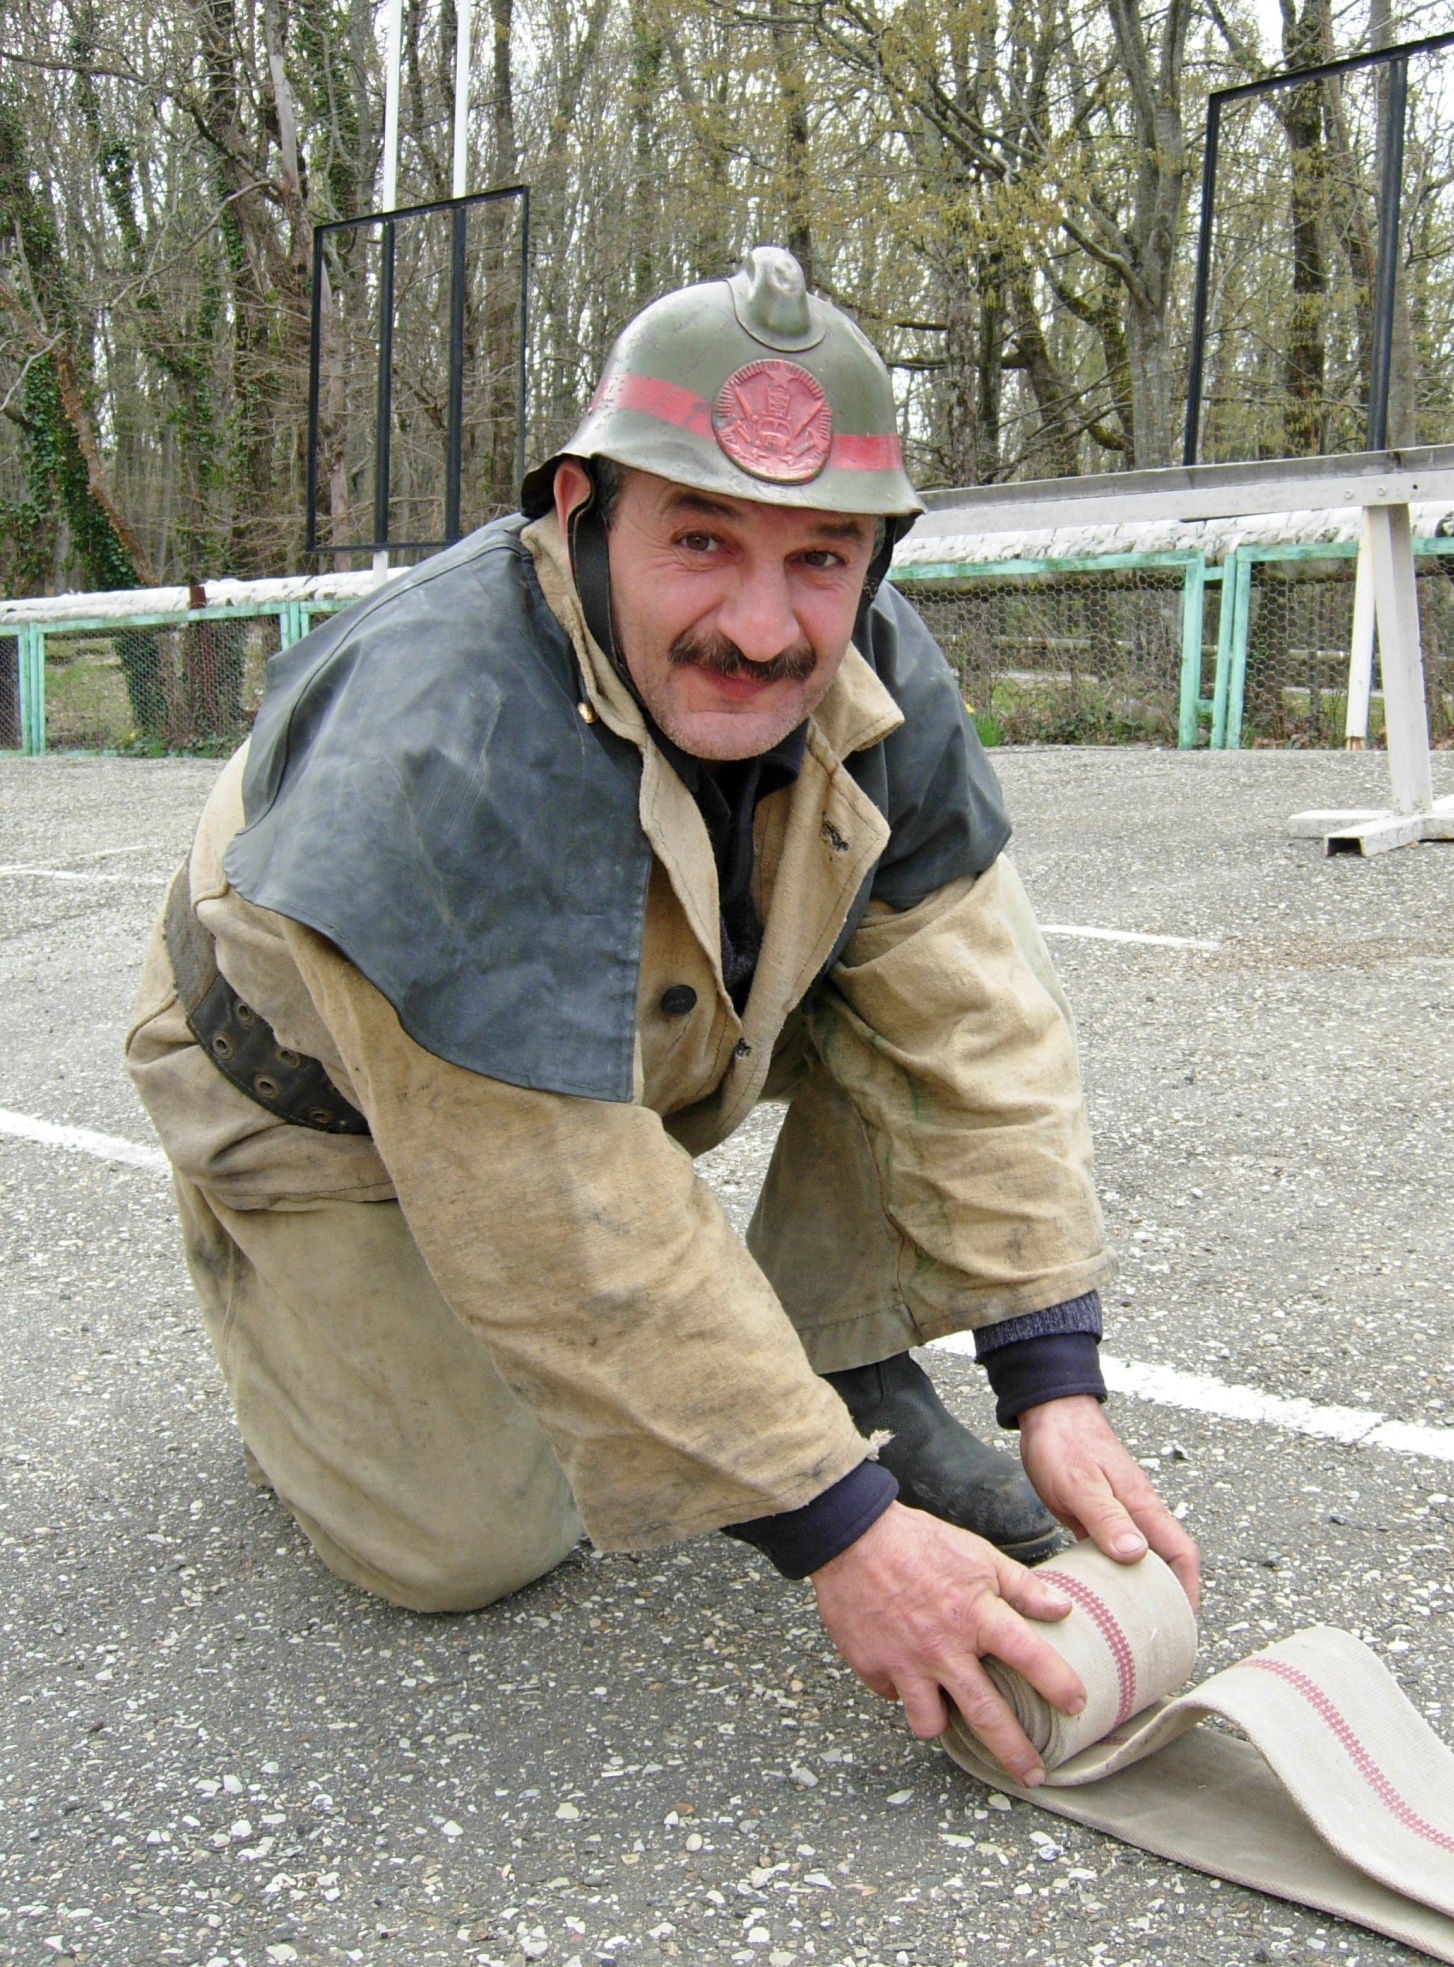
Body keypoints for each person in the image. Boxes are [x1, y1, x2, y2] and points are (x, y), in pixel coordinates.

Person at [127, 247, 1197, 1788]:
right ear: (584, 513)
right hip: (325, 1108)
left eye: (820, 559)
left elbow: (970, 1021)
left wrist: (1052, 1375)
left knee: (889, 939)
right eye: (699, 541)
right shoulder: (443, 743)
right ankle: (271, 1289)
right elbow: (550, 1191)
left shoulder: (873, 666)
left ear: (871, 560)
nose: (762, 628)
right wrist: (837, 1535)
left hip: (618, 1041)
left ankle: (832, 1354)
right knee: (467, 1542)